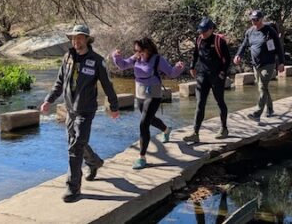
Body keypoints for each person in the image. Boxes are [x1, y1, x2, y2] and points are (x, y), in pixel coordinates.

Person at [40, 25, 119, 203]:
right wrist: (48, 100)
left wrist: (114, 107)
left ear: (87, 40)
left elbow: (108, 85)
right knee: (75, 143)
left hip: (86, 110)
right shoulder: (67, 57)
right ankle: (94, 162)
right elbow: (59, 82)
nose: (76, 41)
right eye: (74, 38)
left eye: (80, 38)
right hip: (70, 109)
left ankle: (73, 188)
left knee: (75, 147)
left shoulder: (97, 61)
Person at [112, 37, 185, 169]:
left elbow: (171, 73)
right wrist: (116, 57)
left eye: (139, 50)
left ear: (147, 49)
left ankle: (142, 157)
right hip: (140, 94)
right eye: (135, 50)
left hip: (154, 94)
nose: (136, 53)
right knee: (149, 120)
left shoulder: (157, 59)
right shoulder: (136, 58)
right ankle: (166, 129)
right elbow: (122, 65)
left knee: (143, 123)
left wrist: (178, 68)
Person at [183, 17, 231, 144]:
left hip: (217, 76)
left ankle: (224, 129)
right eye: (200, 31)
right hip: (202, 76)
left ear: (211, 29)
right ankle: (195, 133)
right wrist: (192, 67)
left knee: (220, 101)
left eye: (204, 31)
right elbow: (195, 54)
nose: (202, 33)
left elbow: (228, 59)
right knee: (200, 104)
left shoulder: (219, 41)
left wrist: (222, 73)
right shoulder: (199, 40)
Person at [234, 10, 284, 120]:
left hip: (268, 64)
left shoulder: (270, 31)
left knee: (262, 86)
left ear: (262, 19)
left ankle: (257, 113)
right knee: (263, 88)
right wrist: (238, 55)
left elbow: (279, 48)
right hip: (256, 65)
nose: (254, 22)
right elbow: (244, 45)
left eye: (256, 20)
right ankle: (270, 109)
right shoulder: (249, 32)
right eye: (252, 20)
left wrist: (281, 62)